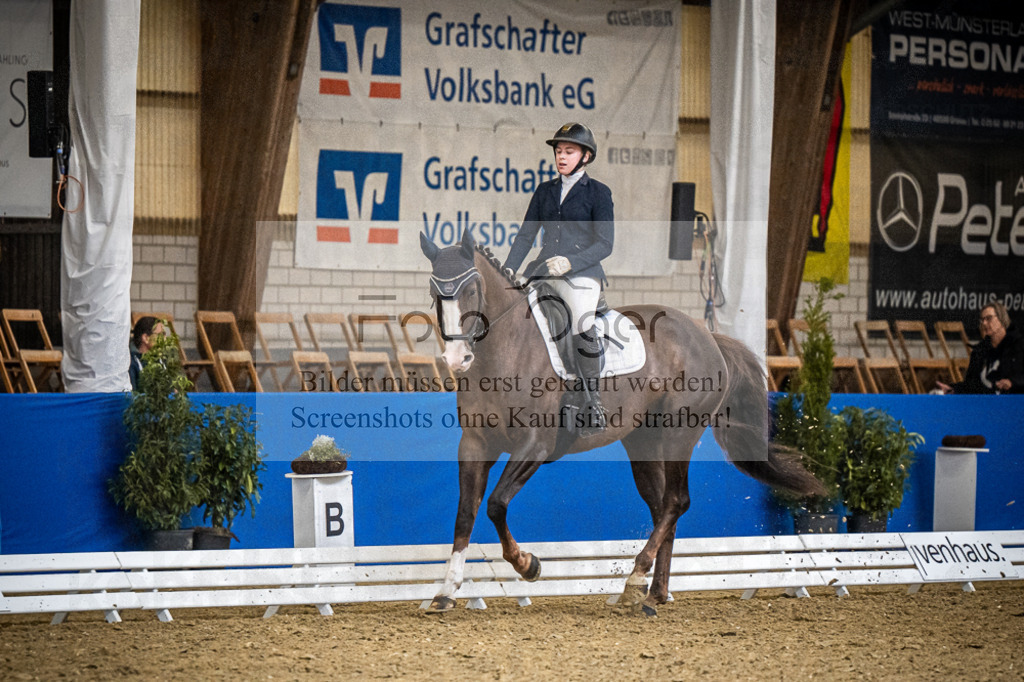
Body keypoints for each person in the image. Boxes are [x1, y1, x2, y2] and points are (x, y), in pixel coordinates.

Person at [503, 122, 614, 434]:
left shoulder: (599, 193)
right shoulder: (545, 191)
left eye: (569, 151)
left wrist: (570, 261)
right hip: (543, 270)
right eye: (559, 151)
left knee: (580, 320)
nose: (562, 157)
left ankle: (592, 400)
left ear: (586, 156)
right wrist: (510, 268)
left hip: (582, 274)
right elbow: (526, 235)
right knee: (514, 311)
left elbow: (605, 244)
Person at [937, 301, 1024, 395]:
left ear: (1001, 318)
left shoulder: (1018, 346)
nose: (985, 323)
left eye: (989, 318)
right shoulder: (979, 351)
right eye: (982, 320)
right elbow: (971, 385)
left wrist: (1013, 383)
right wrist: (953, 389)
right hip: (986, 404)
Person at [129, 316, 165, 391]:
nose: (164, 339)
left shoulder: (162, 362)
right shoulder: (132, 364)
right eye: (160, 335)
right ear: (146, 338)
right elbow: (132, 397)